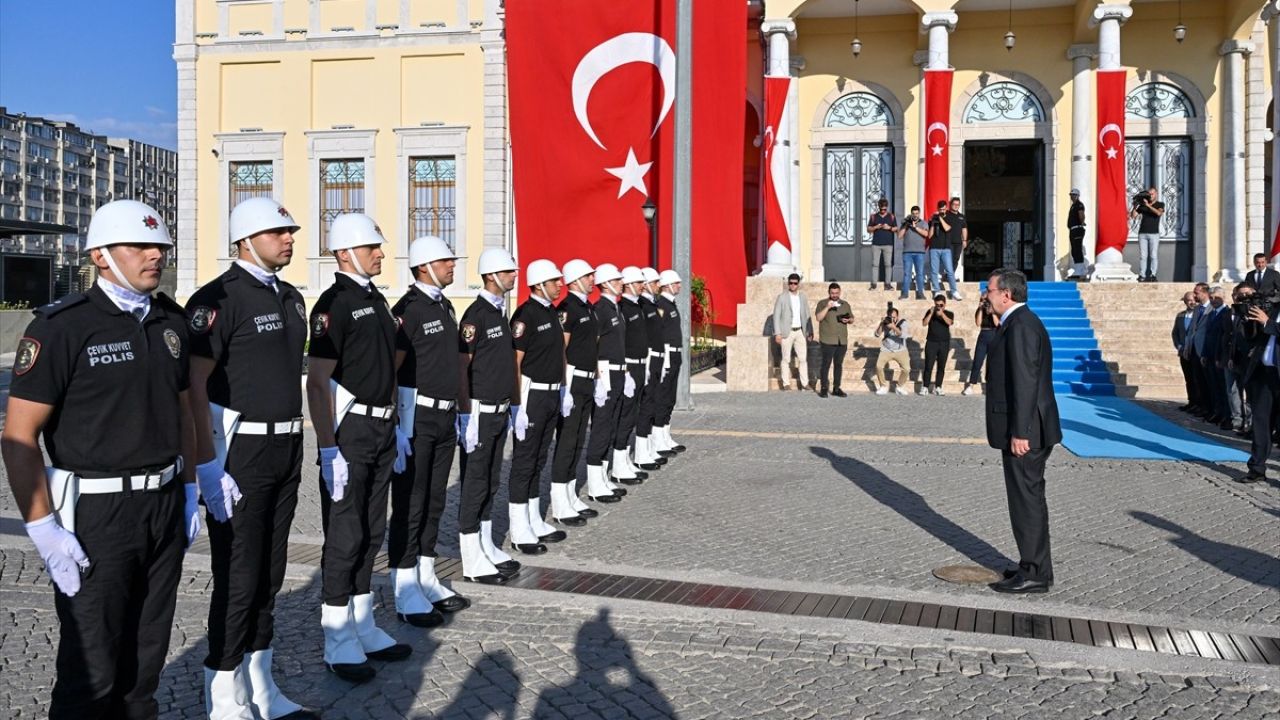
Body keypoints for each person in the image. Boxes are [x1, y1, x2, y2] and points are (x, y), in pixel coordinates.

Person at [2, 200, 198, 720]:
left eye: (161, 247)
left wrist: (193, 487)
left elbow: (184, 415)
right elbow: (19, 436)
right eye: (141, 246)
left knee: (144, 663)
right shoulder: (62, 327)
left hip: (163, 506)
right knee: (91, 671)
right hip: (96, 518)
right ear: (102, 256)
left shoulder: (170, 321)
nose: (155, 256)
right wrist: (44, 530)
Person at [186, 197, 315, 718]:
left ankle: (261, 683)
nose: (288, 239)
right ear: (244, 240)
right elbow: (194, 383)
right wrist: (207, 463)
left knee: (271, 570)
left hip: (286, 443)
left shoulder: (291, 297)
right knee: (239, 572)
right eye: (277, 232)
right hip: (241, 450)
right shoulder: (218, 297)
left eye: (290, 231)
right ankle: (223, 691)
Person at [305, 213, 411, 683]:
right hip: (349, 431)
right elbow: (318, 380)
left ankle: (364, 625)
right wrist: (328, 449)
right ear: (346, 252)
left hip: (382, 429)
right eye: (373, 247)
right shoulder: (334, 304)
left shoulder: (377, 300)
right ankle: (337, 637)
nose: (381, 254)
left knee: (371, 530)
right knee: (345, 535)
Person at [387, 236, 471, 626]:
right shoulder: (408, 310)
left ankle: (425, 573)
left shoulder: (443, 306)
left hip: (443, 417)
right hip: (415, 418)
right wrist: (397, 425)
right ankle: (404, 585)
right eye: (445, 260)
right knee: (411, 501)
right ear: (424, 266)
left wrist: (461, 412)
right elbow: (392, 367)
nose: (452, 265)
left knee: (435, 500)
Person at [984, 268, 1062, 594]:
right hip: (1027, 428)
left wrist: (1021, 432)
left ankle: (1035, 572)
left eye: (989, 290)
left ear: (1007, 294)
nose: (985, 296)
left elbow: (1026, 382)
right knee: (1026, 499)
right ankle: (1033, 563)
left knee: (1026, 501)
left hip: (1027, 433)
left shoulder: (1022, 326)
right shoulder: (1018, 323)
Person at [456, 248, 523, 583]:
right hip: (480, 412)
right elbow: (462, 368)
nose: (514, 276)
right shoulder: (476, 316)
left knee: (491, 481)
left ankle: (485, 545)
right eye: (509, 271)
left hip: (499, 411)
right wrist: (466, 415)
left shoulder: (499, 314)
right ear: (492, 275)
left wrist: (514, 405)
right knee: (474, 483)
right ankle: (470, 558)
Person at [507, 259, 571, 554]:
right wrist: (517, 405)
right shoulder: (525, 315)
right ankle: (519, 529)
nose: (560, 285)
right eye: (554, 280)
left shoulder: (551, 313)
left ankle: (533, 519)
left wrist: (563, 389)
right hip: (531, 396)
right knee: (524, 461)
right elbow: (515, 362)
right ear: (539, 284)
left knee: (538, 460)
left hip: (550, 394)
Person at [548, 259, 609, 525]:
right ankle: (560, 502)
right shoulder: (567, 309)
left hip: (587, 380)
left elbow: (592, 346)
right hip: (572, 380)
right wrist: (565, 385)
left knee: (577, 441)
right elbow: (562, 349)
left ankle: (571, 495)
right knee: (566, 441)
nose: (592, 279)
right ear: (574, 280)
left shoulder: (588, 308)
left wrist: (597, 377)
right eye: (588, 276)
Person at [584, 263, 630, 502]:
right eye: (617, 279)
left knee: (611, 425)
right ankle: (594, 484)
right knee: (601, 427)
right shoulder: (600, 309)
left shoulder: (614, 308)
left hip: (619, 373)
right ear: (606, 283)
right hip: (606, 374)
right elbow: (595, 345)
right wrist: (599, 379)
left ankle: (602, 477)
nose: (621, 282)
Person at [610, 266, 651, 485]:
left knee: (632, 415)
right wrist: (626, 371)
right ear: (629, 285)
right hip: (629, 366)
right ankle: (618, 464)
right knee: (625, 416)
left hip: (640, 365)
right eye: (639, 283)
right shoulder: (623, 308)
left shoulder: (637, 306)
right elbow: (621, 343)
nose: (642, 286)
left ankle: (624, 460)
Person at [632, 267, 669, 470]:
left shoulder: (650, 305)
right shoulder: (643, 305)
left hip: (655, 358)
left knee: (652, 403)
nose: (657, 286)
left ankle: (646, 448)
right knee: (645, 406)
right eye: (655, 283)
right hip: (646, 359)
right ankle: (640, 451)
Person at [1240, 299, 1279, 482]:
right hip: (1264, 375)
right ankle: (1256, 468)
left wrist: (1268, 323)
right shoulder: (1273, 309)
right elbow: (1253, 338)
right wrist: (1250, 321)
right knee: (1261, 423)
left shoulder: (1269, 317)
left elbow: (1271, 327)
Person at [651, 269, 687, 455]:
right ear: (667, 285)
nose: (680, 286)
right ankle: (657, 439)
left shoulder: (670, 304)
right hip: (666, 355)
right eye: (676, 283)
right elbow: (659, 334)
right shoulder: (662, 305)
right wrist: (664, 359)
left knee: (670, 398)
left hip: (674, 354)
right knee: (662, 397)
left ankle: (665, 435)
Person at [772, 273, 814, 391]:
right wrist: (777, 333)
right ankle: (786, 383)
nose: (793, 285)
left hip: (800, 331)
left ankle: (805, 384)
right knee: (786, 359)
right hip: (787, 332)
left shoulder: (803, 297)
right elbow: (776, 316)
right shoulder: (782, 297)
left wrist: (810, 331)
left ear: (798, 284)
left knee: (803, 359)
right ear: (788, 283)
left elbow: (807, 314)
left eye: (795, 283)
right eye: (790, 283)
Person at [814, 282, 852, 398]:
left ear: (840, 292)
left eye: (836, 293)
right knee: (826, 364)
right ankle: (824, 388)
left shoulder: (845, 304)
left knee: (838, 365)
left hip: (842, 340)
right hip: (827, 340)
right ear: (829, 293)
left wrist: (848, 320)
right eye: (832, 293)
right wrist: (827, 307)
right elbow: (818, 317)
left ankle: (836, 388)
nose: (834, 295)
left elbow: (852, 318)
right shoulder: (822, 303)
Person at [1224, 284, 1253, 435]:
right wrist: (1229, 356)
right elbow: (1231, 337)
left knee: (1249, 394)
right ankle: (1237, 419)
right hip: (1234, 357)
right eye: (1237, 296)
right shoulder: (1232, 313)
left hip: (1248, 359)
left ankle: (1249, 423)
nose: (1239, 298)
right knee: (1233, 390)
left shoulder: (1252, 312)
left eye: (1242, 296)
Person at [1201, 286, 1231, 427]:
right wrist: (1204, 353)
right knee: (1214, 387)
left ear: (1223, 297)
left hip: (1220, 357)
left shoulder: (1227, 313)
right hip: (1210, 355)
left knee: (1223, 388)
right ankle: (1217, 412)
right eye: (1211, 298)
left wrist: (1221, 357)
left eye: (1216, 298)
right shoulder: (1211, 314)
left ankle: (1227, 415)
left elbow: (1224, 338)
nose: (1213, 301)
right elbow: (1208, 336)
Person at [1183, 283, 1213, 418]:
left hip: (1205, 350)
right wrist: (1187, 347)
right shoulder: (1197, 309)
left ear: (1205, 293)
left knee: (1208, 382)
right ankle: (1201, 406)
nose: (1194, 295)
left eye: (1197, 293)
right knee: (1197, 380)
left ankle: (1210, 408)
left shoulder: (1212, 309)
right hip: (1194, 349)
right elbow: (1192, 330)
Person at [962, 290, 999, 396]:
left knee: (992, 363)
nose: (985, 301)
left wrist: (992, 311)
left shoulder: (995, 310)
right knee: (977, 362)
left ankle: (990, 387)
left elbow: (997, 324)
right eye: (983, 299)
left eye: (987, 300)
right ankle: (971, 385)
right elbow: (978, 323)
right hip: (983, 334)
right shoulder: (980, 309)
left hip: (993, 335)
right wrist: (980, 308)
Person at [920, 294, 955, 396]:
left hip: (944, 343)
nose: (939, 306)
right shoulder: (930, 312)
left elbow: (949, 323)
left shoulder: (949, 313)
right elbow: (924, 323)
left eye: (941, 305)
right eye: (937, 304)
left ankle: (938, 387)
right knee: (928, 366)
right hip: (931, 342)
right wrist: (931, 313)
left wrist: (942, 314)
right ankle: (925, 387)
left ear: (945, 304)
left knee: (941, 366)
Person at [1129, 185, 1164, 282]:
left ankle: (1153, 275)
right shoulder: (1142, 205)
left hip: (1154, 234)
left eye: (1152, 194)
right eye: (1149, 194)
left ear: (1156, 194)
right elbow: (1133, 216)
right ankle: (1142, 275)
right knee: (1143, 256)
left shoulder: (1160, 204)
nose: (1150, 196)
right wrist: (1135, 206)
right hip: (1142, 233)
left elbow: (1158, 213)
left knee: (1153, 255)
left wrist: (1148, 206)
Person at [873, 307, 910, 395]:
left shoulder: (903, 322)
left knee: (907, 369)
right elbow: (877, 334)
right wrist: (881, 324)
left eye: (894, 317)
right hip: (886, 349)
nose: (893, 319)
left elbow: (904, 335)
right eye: (891, 317)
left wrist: (893, 327)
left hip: (900, 349)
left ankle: (900, 386)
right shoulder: (885, 322)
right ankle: (883, 386)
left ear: (898, 316)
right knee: (879, 366)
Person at [928, 201, 959, 300]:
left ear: (946, 209)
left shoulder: (949, 217)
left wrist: (940, 218)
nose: (941, 211)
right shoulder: (933, 219)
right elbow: (929, 235)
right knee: (934, 271)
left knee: (950, 271)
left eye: (943, 209)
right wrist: (933, 222)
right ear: (937, 209)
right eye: (940, 209)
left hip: (946, 249)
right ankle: (936, 291)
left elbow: (947, 228)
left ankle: (954, 291)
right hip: (934, 248)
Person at [1171, 291, 1196, 412]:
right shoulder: (1180, 315)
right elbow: (1175, 333)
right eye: (1189, 300)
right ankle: (1191, 401)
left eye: (1193, 300)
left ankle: (1199, 403)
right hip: (1183, 352)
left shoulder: (1200, 315)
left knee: (1197, 379)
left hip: (1195, 352)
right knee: (1188, 379)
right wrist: (1179, 346)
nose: (1192, 302)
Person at [898, 206, 929, 300]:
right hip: (907, 252)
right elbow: (899, 236)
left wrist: (915, 228)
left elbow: (926, 234)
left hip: (920, 253)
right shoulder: (906, 224)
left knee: (920, 273)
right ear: (911, 214)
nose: (915, 215)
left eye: (917, 213)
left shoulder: (923, 223)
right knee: (907, 273)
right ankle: (905, 293)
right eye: (913, 213)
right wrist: (906, 226)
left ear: (919, 213)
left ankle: (920, 293)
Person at [867, 198, 897, 291]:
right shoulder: (874, 217)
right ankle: (873, 284)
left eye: (884, 209)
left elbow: (896, 228)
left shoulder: (891, 216)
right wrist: (876, 227)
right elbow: (868, 229)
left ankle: (887, 284)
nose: (883, 211)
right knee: (875, 264)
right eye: (881, 209)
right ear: (878, 207)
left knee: (888, 264)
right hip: (876, 244)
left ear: (887, 207)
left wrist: (889, 228)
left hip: (888, 244)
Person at [943, 197, 967, 300]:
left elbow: (964, 229)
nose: (956, 206)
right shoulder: (946, 215)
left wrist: (965, 240)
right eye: (954, 204)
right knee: (949, 261)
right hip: (948, 242)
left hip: (958, 242)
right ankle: (949, 276)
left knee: (956, 260)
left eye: (958, 204)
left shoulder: (962, 217)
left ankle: (949, 276)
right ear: (950, 205)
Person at [1067, 189, 1087, 280]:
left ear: (1077, 195)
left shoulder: (1079, 205)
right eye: (1071, 195)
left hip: (1077, 229)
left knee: (1077, 249)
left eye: (1074, 195)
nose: (1072, 196)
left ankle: (1080, 269)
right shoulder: (1073, 205)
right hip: (1073, 229)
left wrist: (1082, 222)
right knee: (1074, 250)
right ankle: (1079, 268)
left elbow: (1081, 214)